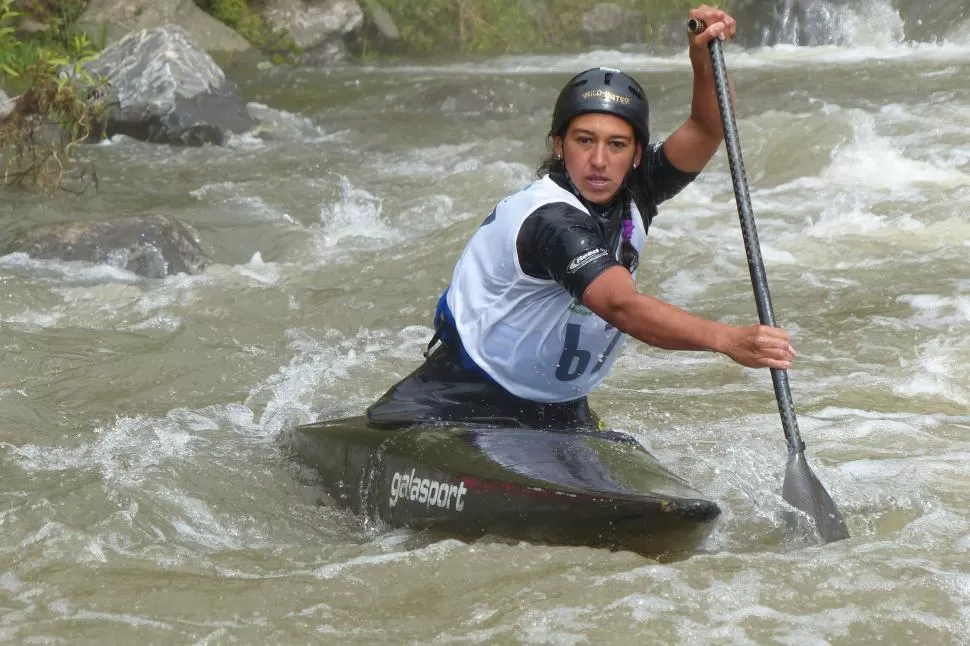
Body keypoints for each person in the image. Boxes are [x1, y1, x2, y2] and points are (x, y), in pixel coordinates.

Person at [366, 5, 796, 430]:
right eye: (584, 140)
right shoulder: (550, 220)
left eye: (616, 145)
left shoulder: (637, 187)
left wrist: (702, 56)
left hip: (557, 406)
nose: (599, 161)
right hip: (464, 397)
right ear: (559, 145)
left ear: (636, 154)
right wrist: (727, 339)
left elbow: (708, 128)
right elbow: (621, 306)